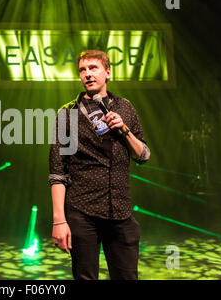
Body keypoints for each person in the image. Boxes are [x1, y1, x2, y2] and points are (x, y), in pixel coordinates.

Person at [48, 50, 150, 280]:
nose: (88, 74)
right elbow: (57, 172)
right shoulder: (68, 114)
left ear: (108, 72)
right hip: (83, 212)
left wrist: (124, 130)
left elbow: (143, 155)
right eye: (82, 70)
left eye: (93, 68)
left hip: (121, 212)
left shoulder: (125, 107)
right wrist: (59, 221)